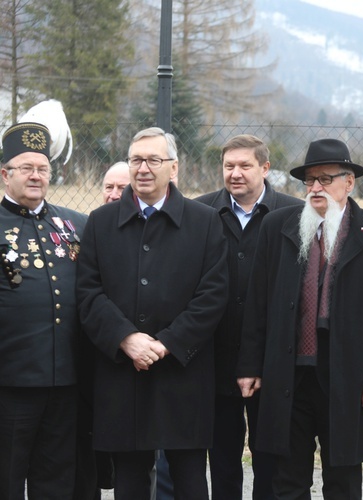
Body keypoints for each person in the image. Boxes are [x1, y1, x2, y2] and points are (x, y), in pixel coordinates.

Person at [236, 138, 363, 499]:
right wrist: (249, 365)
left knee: (342, 481)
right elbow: (257, 304)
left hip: (346, 376)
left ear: (349, 182)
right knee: (288, 480)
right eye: (309, 180)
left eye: (326, 179)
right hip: (288, 373)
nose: (315, 188)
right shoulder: (279, 226)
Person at [76, 127, 228, 500]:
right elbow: (88, 293)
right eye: (136, 160)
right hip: (123, 373)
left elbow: (213, 295)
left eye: (153, 160)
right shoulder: (100, 221)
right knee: (129, 479)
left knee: (190, 477)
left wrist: (166, 344)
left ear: (173, 167)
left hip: (183, 373)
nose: (143, 168)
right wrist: (126, 338)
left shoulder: (204, 221)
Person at [194, 134, 302, 500]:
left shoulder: (295, 214)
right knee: (221, 457)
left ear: (265, 168)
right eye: (228, 166)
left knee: (270, 457)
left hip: (273, 360)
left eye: (244, 166)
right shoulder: (200, 213)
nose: (235, 173)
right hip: (214, 358)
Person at [0, 122, 88, 498]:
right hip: (11, 382)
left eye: (43, 168)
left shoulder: (74, 224)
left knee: (55, 481)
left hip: (66, 382)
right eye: (26, 168)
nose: (36, 176)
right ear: (5, 174)